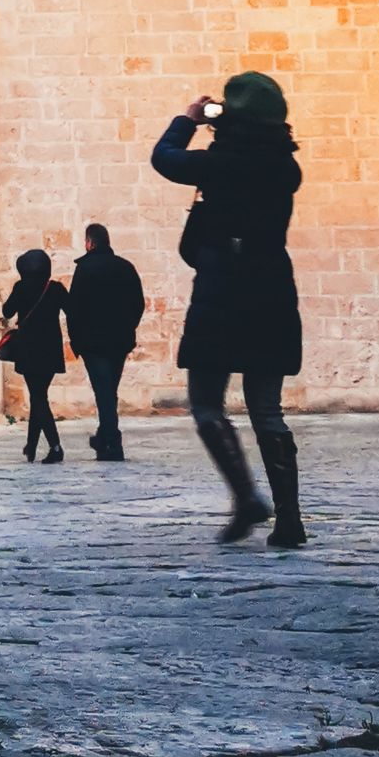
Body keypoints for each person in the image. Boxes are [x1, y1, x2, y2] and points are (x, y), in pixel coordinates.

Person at [150, 73, 307, 548]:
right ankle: (290, 519)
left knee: (205, 404)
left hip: (221, 290)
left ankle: (246, 497)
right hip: (272, 291)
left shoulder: (221, 164)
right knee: (267, 409)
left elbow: (164, 158)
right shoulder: (284, 168)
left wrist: (188, 119)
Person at [67, 223, 145, 462]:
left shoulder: (85, 269)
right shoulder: (125, 267)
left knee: (103, 391)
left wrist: (76, 340)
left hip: (92, 343)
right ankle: (104, 437)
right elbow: (138, 304)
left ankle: (112, 441)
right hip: (119, 341)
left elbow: (74, 308)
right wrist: (127, 328)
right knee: (108, 389)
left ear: (89, 243)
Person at [1, 248, 71, 461]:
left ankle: (56, 447)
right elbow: (71, 309)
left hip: (29, 350)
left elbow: (7, 311)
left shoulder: (21, 288)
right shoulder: (56, 289)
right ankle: (31, 446)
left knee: (38, 397)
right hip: (50, 350)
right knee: (39, 396)